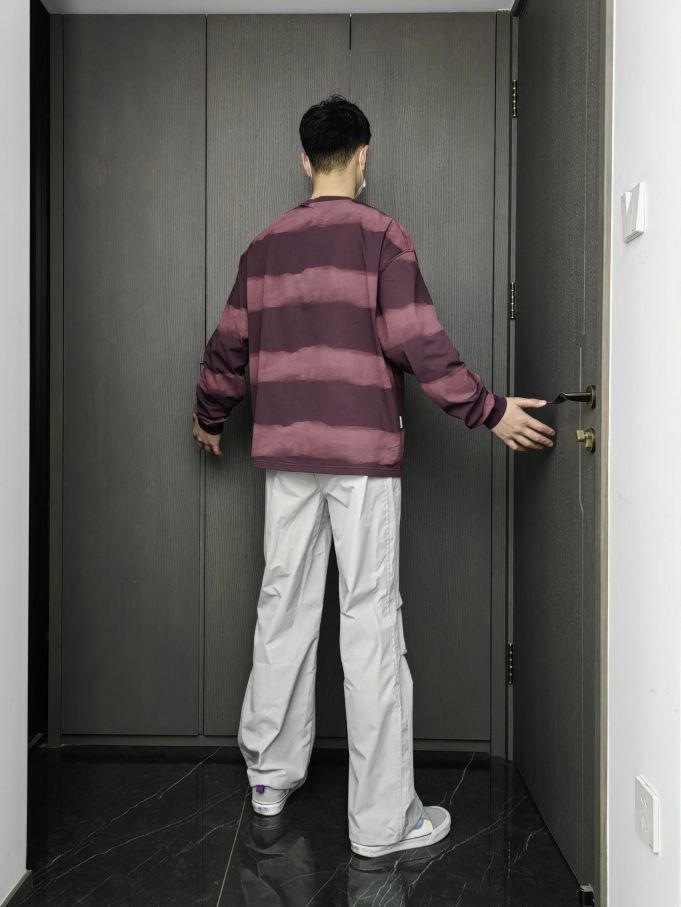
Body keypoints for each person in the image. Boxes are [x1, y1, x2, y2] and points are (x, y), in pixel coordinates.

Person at [192, 94, 555, 858]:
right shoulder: (381, 237)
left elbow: (228, 347)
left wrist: (209, 415)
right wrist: (488, 410)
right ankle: (382, 823)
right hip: (360, 456)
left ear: (304, 158)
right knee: (369, 623)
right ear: (363, 156)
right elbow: (419, 343)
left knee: (282, 607)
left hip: (287, 456)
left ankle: (269, 777)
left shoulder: (263, 247)